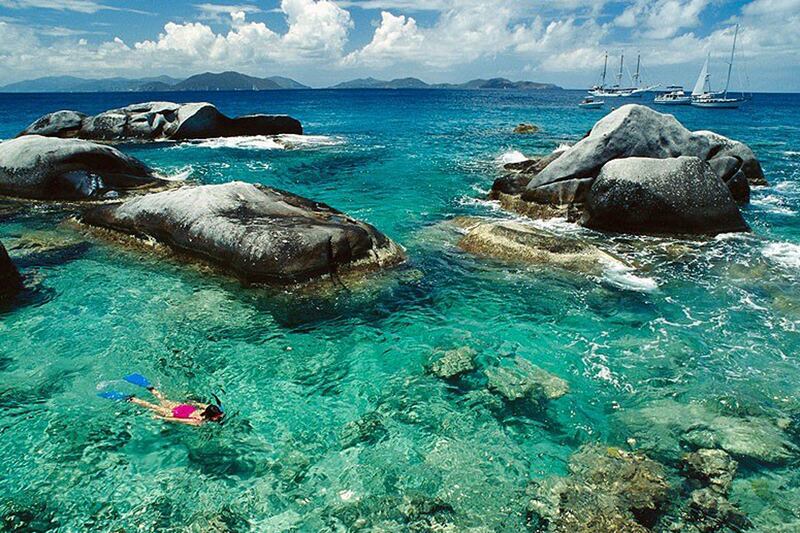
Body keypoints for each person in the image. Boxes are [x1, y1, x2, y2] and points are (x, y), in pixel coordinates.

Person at [99, 373, 224, 426]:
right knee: (151, 406)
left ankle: (149, 386)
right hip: (176, 413)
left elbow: (198, 404)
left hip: (183, 407)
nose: (219, 417)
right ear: (212, 416)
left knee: (161, 397)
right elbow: (178, 420)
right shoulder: (198, 422)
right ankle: (129, 398)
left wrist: (191, 403)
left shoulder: (206, 408)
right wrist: (161, 418)